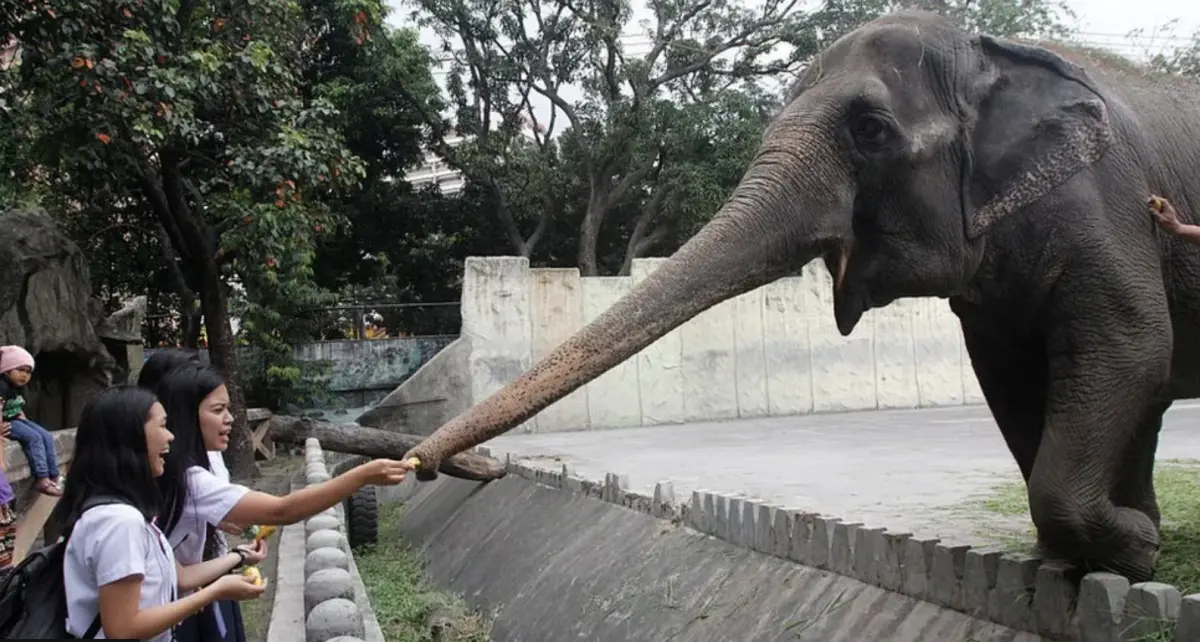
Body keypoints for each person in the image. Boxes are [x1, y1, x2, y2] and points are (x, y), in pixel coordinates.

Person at [155, 364, 413, 642]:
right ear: (187, 418)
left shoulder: (186, 467)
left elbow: (179, 573)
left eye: (228, 409)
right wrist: (362, 476)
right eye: (218, 411)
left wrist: (236, 555)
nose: (229, 419)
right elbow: (283, 509)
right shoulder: (189, 478)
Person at [50, 386, 268, 641]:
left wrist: (238, 556)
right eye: (162, 426)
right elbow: (122, 629)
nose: (171, 437)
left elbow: (182, 577)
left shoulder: (124, 512)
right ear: (130, 437)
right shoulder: (119, 522)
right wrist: (215, 591)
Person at [0, 345, 61, 496]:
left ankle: (54, 475)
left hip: (16, 419)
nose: (25, 375)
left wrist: (24, 419)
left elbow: (16, 403)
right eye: (20, 370)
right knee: (33, 438)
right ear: (6, 369)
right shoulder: (2, 386)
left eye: (28, 372)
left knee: (46, 435)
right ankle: (42, 478)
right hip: (6, 423)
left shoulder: (16, 386)